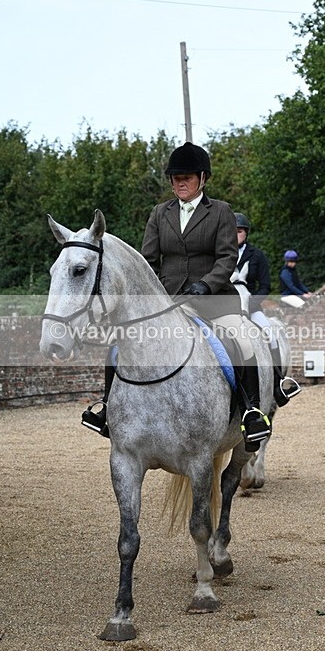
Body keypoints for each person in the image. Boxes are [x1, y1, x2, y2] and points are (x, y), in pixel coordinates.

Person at [83, 142, 271, 451]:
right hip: (166, 302)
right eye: (175, 177)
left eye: (186, 176)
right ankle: (106, 408)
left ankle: (250, 412)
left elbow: (226, 259)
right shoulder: (160, 213)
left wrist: (206, 285)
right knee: (117, 345)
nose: (180, 182)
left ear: (202, 178)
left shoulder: (221, 211)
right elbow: (147, 262)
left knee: (241, 338)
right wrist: (152, 297)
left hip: (212, 299)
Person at [232, 212, 294, 406]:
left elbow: (265, 286)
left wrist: (250, 304)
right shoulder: (220, 254)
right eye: (232, 231)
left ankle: (278, 383)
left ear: (246, 233)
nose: (236, 235)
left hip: (250, 305)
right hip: (226, 305)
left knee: (269, 333)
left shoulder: (257, 255)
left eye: (240, 231)